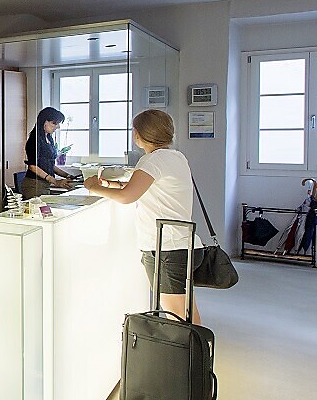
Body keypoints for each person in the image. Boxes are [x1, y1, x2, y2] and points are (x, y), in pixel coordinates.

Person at [84, 109, 204, 324]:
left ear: (139, 134)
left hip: (166, 249)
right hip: (181, 244)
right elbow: (145, 188)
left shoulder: (152, 161)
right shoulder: (175, 157)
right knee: (185, 310)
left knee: (177, 315)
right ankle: (197, 345)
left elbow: (127, 197)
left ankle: (191, 346)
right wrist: (110, 185)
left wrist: (93, 187)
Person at [22, 106, 73, 199]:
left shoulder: (49, 139)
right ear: (44, 122)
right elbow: (33, 166)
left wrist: (68, 176)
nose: (57, 127)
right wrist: (55, 181)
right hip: (34, 185)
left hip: (44, 184)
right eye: (54, 123)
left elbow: (49, 164)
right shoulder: (35, 139)